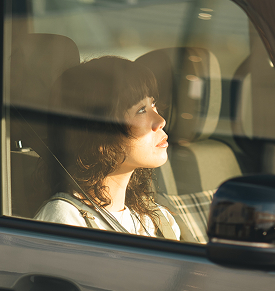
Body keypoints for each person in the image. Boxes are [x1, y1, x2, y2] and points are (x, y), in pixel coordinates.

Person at [33, 56, 181, 240]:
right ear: (100, 133)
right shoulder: (65, 222)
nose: (161, 120)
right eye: (141, 110)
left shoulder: (157, 219)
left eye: (153, 105)